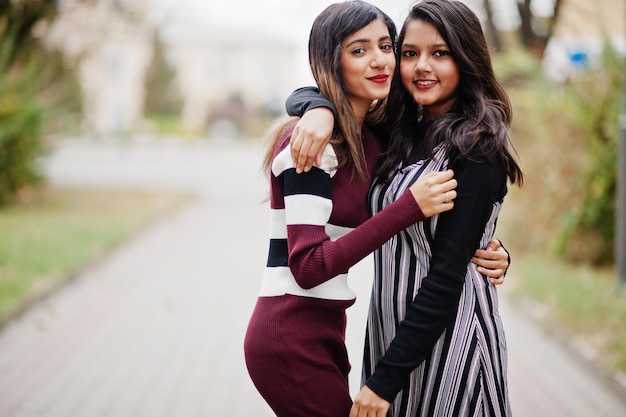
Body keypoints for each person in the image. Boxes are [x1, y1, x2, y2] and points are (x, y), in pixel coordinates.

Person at [285, 1, 523, 416]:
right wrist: (318, 109)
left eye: (440, 53)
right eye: (410, 53)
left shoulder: (477, 147)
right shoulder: (400, 130)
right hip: (392, 337)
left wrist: (383, 381)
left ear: (466, 58)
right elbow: (319, 91)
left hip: (452, 341)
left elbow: (447, 277)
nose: (421, 67)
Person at [243, 3, 461, 417]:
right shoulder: (311, 147)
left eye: (385, 45)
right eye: (358, 50)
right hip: (288, 335)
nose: (379, 59)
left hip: (327, 329)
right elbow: (307, 266)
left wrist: (486, 243)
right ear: (332, 62)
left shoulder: (374, 138)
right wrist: (407, 208)